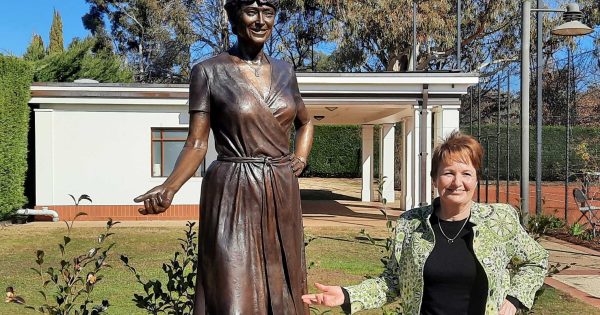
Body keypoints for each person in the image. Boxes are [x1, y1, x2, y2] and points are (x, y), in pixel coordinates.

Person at [134, 0, 313, 314]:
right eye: (251, 12)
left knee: (285, 291)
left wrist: (299, 156)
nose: (260, 21)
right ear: (233, 18)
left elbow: (305, 120)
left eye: (268, 13)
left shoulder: (286, 71)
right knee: (232, 291)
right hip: (233, 190)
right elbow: (196, 143)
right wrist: (170, 187)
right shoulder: (208, 71)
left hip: (281, 190)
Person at [302, 131, 548, 315]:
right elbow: (392, 282)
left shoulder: (500, 220)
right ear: (435, 179)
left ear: (477, 179)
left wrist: (514, 299)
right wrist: (346, 295)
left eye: (466, 173)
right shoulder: (411, 223)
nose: (457, 182)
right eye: (448, 172)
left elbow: (537, 260)